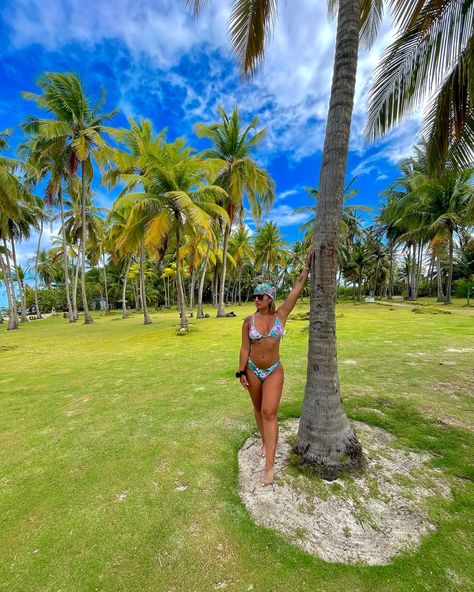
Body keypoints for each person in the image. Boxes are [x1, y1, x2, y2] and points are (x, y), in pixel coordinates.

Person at [237, 253, 312, 486]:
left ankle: (269, 464)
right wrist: (241, 372)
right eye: (254, 296)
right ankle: (263, 440)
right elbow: (244, 347)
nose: (256, 299)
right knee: (258, 408)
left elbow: (296, 290)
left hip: (273, 370)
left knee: (269, 412)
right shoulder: (248, 321)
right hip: (251, 370)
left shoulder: (281, 315)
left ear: (269, 298)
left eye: (260, 296)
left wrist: (307, 267)